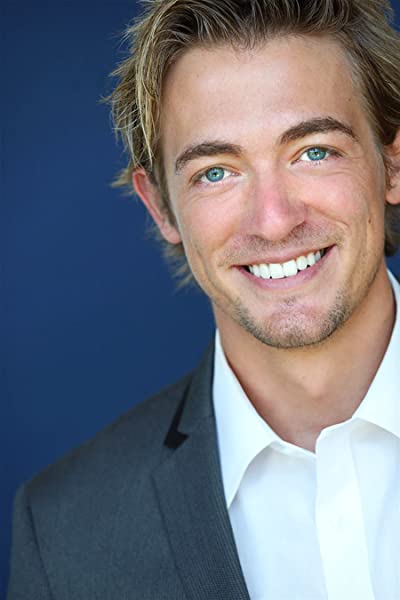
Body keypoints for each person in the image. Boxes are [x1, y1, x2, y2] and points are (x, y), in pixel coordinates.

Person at [7, 0, 400, 598]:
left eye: (313, 151)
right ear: (160, 206)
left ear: (392, 165)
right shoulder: (65, 534)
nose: (273, 220)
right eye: (216, 172)